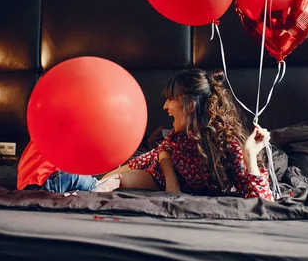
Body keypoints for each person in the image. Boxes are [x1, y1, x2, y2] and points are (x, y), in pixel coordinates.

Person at [101, 68, 274, 200]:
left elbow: (262, 201)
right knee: (110, 181)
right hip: (160, 175)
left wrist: (250, 155)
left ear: (190, 105)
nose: (165, 107)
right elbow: (157, 154)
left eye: (171, 99)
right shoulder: (179, 136)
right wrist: (170, 178)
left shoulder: (226, 144)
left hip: (170, 181)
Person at [16, 140, 121, 193]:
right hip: (45, 183)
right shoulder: (64, 136)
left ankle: (93, 184)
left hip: (25, 185)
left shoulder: (38, 136)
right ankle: (95, 186)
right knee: (75, 175)